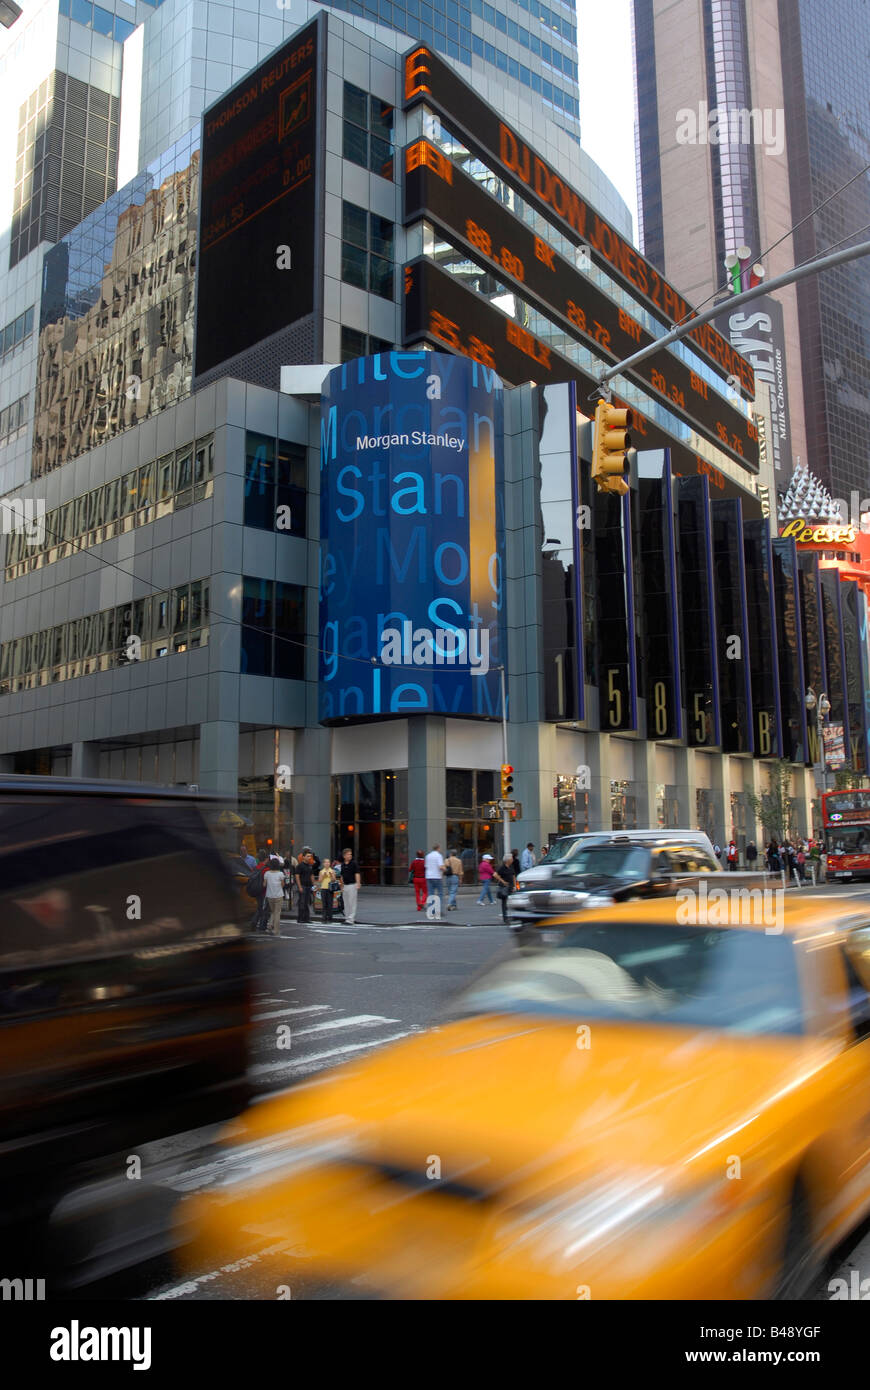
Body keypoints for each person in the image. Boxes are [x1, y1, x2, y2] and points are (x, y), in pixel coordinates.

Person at [492, 853, 518, 924]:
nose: (512, 859)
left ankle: (512, 916)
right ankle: (505, 918)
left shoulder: (511, 867)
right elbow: (495, 875)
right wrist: (503, 881)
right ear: (508, 860)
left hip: (511, 888)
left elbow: (513, 876)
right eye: (511, 858)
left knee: (512, 902)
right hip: (504, 888)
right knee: (504, 903)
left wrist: (515, 886)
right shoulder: (502, 868)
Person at [263, 858, 285, 935]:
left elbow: (264, 885)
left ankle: (270, 925)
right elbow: (283, 884)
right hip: (278, 895)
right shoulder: (280, 874)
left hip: (269, 895)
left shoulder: (267, 873)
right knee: (277, 913)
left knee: (272, 911)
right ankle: (276, 930)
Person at [339, 848, 361, 924]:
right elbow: (341, 876)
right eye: (348, 854)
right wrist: (341, 886)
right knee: (346, 903)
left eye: (351, 854)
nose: (350, 855)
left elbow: (357, 873)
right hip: (345, 885)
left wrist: (358, 883)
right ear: (344, 856)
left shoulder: (354, 863)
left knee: (352, 902)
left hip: (352, 885)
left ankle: (351, 919)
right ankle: (347, 918)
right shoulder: (342, 864)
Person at [424, 843, 445, 912]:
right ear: (438, 848)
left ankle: (431, 910)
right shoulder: (439, 856)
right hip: (437, 876)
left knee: (430, 893)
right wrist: (445, 869)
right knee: (440, 893)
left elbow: (426, 866)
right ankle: (439, 910)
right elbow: (440, 867)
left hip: (429, 876)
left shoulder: (428, 856)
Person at [296, 851, 315, 923]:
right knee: (302, 902)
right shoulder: (300, 866)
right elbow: (297, 877)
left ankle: (307, 918)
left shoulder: (310, 866)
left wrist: (314, 885)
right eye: (307, 856)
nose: (309, 857)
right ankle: (300, 918)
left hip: (309, 886)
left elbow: (312, 876)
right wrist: (299, 886)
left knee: (307, 903)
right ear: (303, 857)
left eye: (310, 856)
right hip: (303, 886)